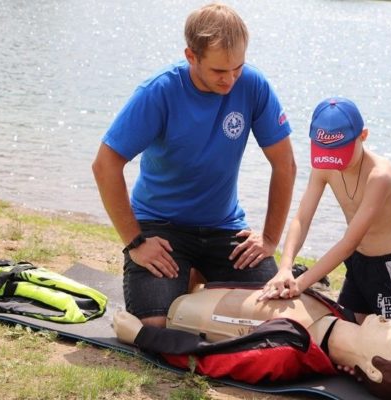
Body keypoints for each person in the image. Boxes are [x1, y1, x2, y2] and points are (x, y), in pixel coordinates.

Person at [91, 3, 296, 328]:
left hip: (224, 228)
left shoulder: (253, 85)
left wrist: (270, 239)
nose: (230, 79)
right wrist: (135, 242)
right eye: (219, 71)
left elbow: (285, 164)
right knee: (156, 328)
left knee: (276, 318)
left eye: (237, 68)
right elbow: (105, 165)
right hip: (161, 227)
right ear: (191, 56)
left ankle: (198, 276)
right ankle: (190, 277)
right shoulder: (158, 92)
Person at [258, 97, 391, 323]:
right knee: (346, 333)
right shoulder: (325, 164)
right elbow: (302, 218)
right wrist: (285, 267)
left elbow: (349, 241)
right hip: (358, 263)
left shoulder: (380, 176)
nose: (334, 160)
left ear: (363, 136)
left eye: (340, 151)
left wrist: (300, 283)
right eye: (327, 151)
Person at [113, 285, 391, 400]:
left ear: (373, 372)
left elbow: (212, 357)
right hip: (215, 280)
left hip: (183, 310)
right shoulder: (339, 314)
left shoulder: (285, 351)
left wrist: (142, 336)